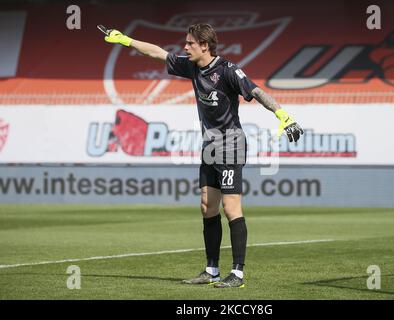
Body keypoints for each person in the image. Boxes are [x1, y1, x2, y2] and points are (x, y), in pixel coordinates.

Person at [103, 23, 303, 288]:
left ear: (204, 46)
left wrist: (282, 114)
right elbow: (157, 53)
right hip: (210, 147)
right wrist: (125, 40)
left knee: (231, 208)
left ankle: (238, 274)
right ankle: (212, 270)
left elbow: (255, 91)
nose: (185, 48)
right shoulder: (191, 66)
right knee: (207, 206)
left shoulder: (228, 70)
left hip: (230, 145)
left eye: (190, 43)